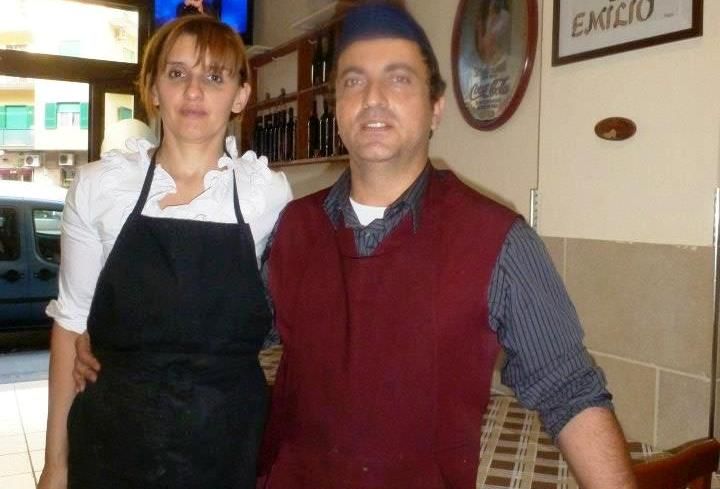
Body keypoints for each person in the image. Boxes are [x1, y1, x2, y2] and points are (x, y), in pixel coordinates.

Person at [75, 3, 637, 489]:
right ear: (338, 108)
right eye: (352, 81)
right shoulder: (294, 228)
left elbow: (570, 393)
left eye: (399, 79)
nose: (373, 98)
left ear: (436, 106)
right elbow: (228, 333)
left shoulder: (497, 242)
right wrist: (115, 343)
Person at [38, 6, 291, 489]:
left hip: (228, 444)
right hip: (112, 442)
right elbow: (70, 326)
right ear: (153, 89)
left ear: (240, 95)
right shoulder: (99, 188)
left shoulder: (268, 195)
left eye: (214, 76)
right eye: (177, 74)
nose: (194, 91)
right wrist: (55, 466)